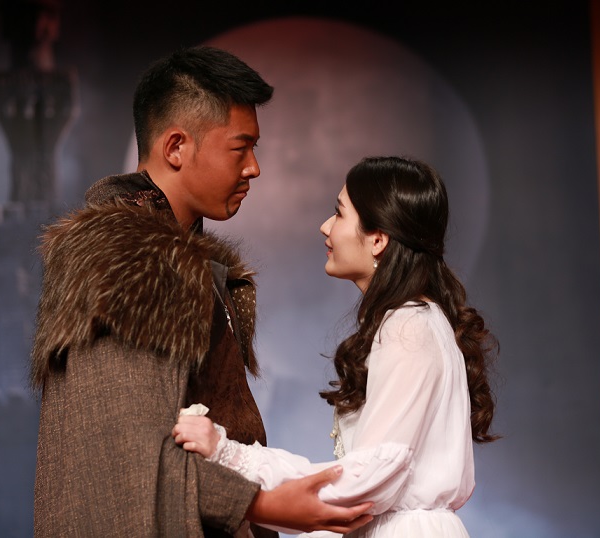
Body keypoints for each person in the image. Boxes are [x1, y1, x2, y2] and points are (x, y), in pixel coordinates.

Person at [29, 45, 373, 538]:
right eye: (240, 148)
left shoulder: (179, 261)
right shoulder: (125, 260)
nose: (254, 168)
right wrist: (263, 504)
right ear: (176, 148)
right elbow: (127, 450)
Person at [173, 156, 500, 537]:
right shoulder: (416, 320)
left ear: (378, 239)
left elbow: (366, 482)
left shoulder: (408, 326)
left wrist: (229, 454)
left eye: (340, 213)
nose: (326, 226)